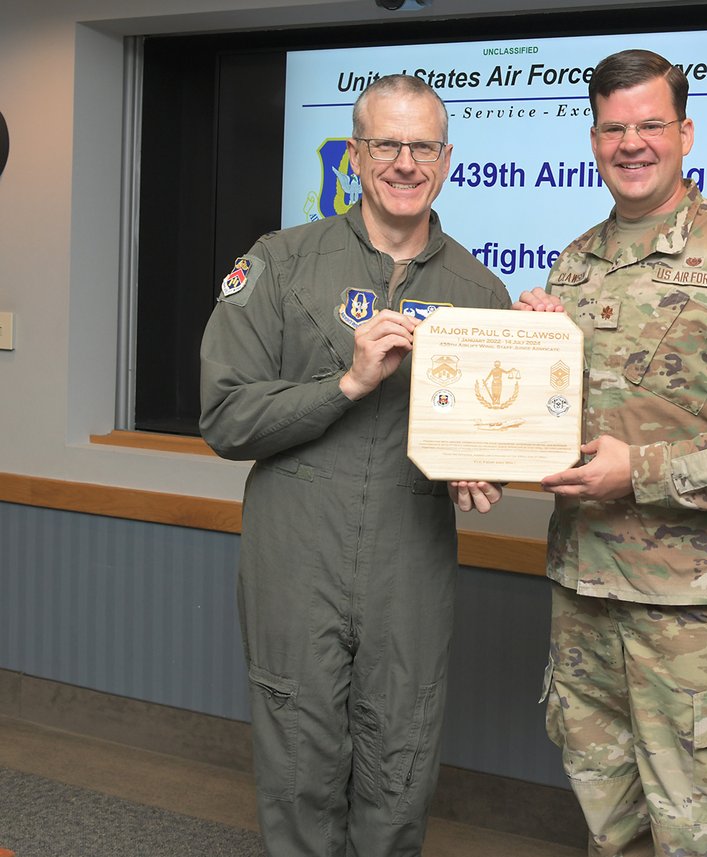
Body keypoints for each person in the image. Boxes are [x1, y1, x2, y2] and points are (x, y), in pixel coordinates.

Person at [516, 49, 707, 856]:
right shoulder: (574, 263)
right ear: (593, 139)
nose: (633, 143)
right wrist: (527, 351)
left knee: (701, 832)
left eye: (651, 124)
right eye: (615, 128)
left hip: (687, 608)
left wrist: (641, 471)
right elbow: (562, 422)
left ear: (684, 131)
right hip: (582, 588)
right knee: (608, 823)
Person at [199, 74, 510, 856]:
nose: (406, 163)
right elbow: (225, 417)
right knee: (298, 761)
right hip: (297, 551)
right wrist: (346, 384)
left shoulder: (481, 292)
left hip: (410, 557)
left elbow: (492, 438)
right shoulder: (280, 263)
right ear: (357, 155)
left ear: (447, 160)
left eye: (423, 147)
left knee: (401, 762)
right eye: (387, 144)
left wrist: (485, 467)